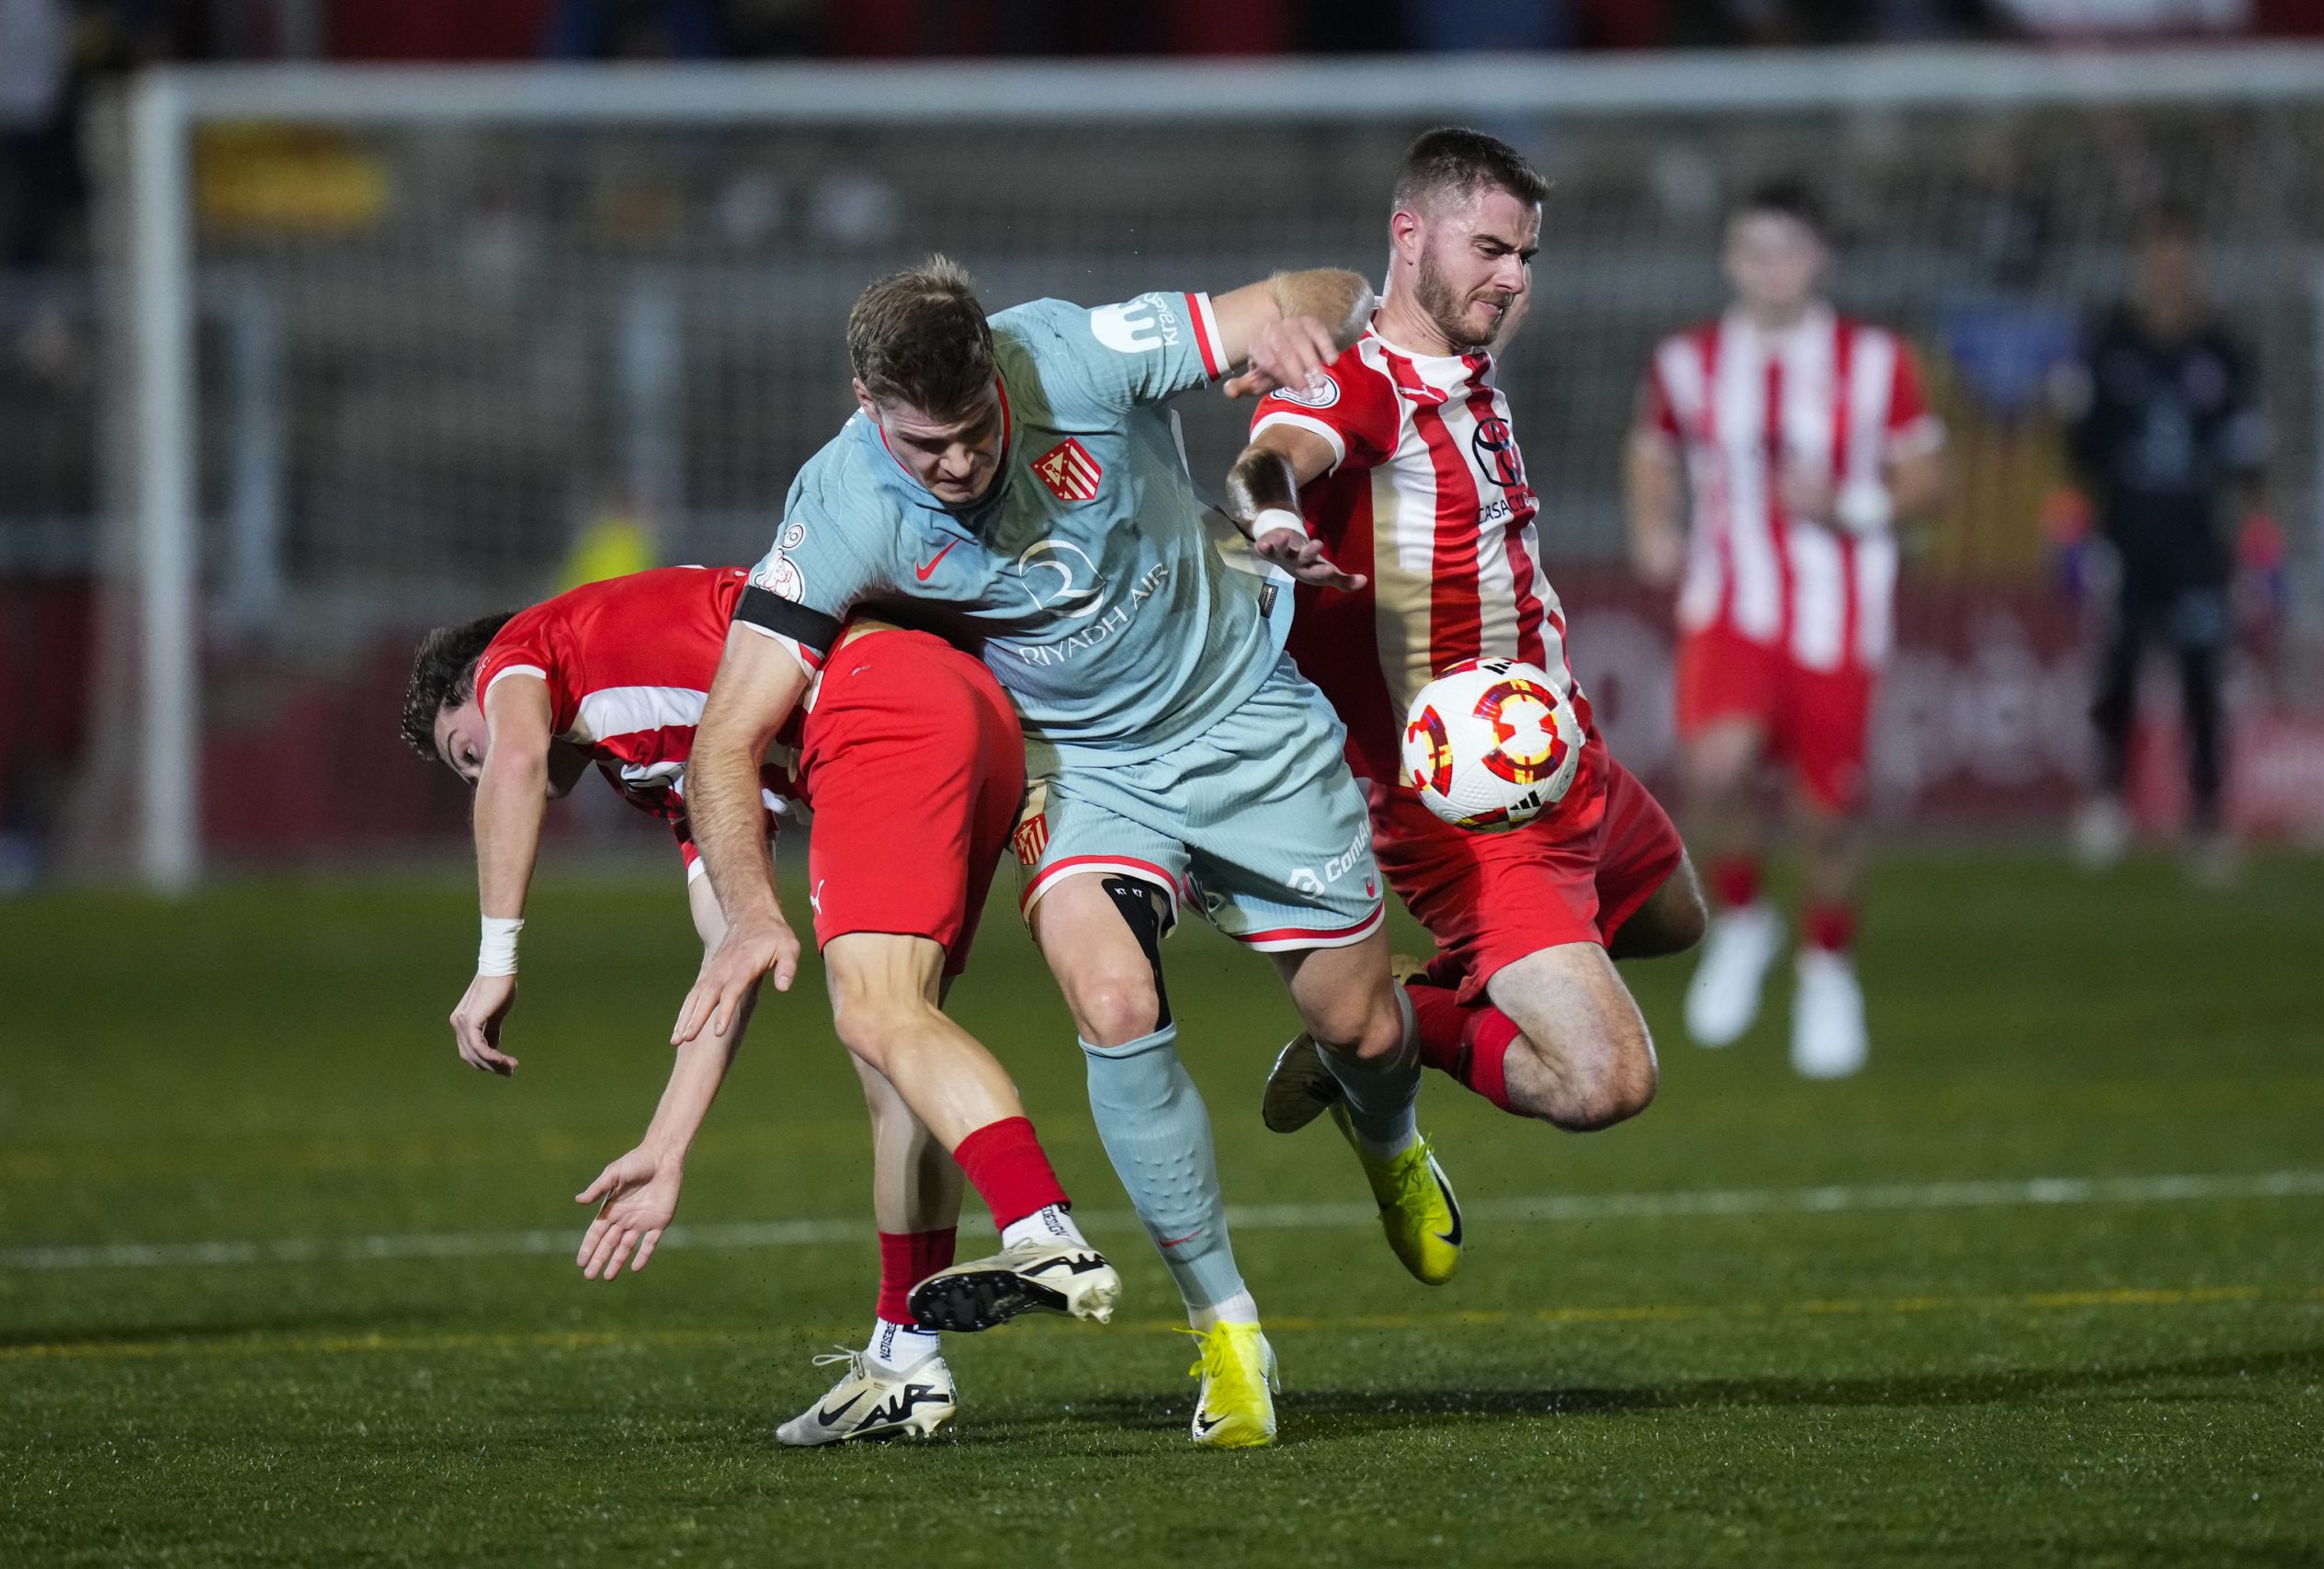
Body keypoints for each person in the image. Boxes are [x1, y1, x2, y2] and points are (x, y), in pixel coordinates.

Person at [673, 256, 1454, 1449]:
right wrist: (748, 907)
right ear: (864, 401)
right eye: (922, 443)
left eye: (975, 430)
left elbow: (1320, 286)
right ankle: (1227, 1330)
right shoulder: (837, 503)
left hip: (1245, 716)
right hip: (1083, 765)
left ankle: (1388, 1129)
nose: (955, 464)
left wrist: (1310, 329)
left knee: (1363, 1026)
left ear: (998, 371)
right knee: (1110, 991)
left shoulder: (1076, 352)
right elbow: (724, 739)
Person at [399, 564, 1119, 1448]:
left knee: (877, 1015)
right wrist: (667, 1148)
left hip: (877, 700)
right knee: (894, 1061)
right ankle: (903, 1361)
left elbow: (514, 757)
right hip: (962, 708)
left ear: (479, 686)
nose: (480, 778)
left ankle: (1041, 1225)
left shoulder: (521, 651)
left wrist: (496, 959)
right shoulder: (661, 764)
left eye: (462, 752)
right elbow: (726, 957)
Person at [1225, 128, 1706, 1150]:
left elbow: (1354, 292)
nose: (1511, 278)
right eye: (1488, 249)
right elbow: (1268, 460)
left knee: (1675, 922)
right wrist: (1273, 525)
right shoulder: (1359, 387)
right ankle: (1389, 1033)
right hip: (1473, 813)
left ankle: (1408, 992)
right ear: (1411, 235)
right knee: (1604, 1081)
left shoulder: (1463, 362)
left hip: (1566, 762)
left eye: (1525, 255)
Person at [1626, 179, 1945, 1080]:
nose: (1770, 269)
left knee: (1828, 816)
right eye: (1753, 251)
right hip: (1730, 603)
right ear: (1731, 260)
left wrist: (1849, 503)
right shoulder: (1687, 361)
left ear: (1819, 258)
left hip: (1837, 614)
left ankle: (1826, 969)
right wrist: (1653, 524)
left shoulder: (1875, 361)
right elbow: (1650, 450)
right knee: (1712, 767)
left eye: (1788, 251)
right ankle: (1744, 919)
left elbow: (1931, 478)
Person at [2058, 206, 2268, 884]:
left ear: (2195, 265)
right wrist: (2070, 534)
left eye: (2181, 259)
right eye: (2159, 258)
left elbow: (2247, 455)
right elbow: (2081, 452)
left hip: (2198, 542)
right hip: (2125, 535)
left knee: (2204, 677)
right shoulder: (2110, 342)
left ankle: (2206, 821)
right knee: (2116, 669)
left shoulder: (2223, 349)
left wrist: (2262, 541)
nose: (2170, 271)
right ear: (2145, 265)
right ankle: (2108, 803)